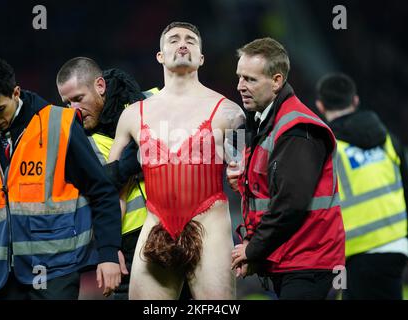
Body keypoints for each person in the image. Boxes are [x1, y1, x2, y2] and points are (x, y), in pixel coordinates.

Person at [108, 21, 245, 299]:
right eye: (173, 40)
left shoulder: (230, 112)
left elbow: (247, 183)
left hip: (212, 229)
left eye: (191, 40)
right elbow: (111, 188)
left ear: (201, 58)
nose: (182, 43)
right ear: (160, 56)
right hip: (155, 226)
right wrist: (109, 250)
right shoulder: (133, 115)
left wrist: (252, 239)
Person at [0, 58, 126, 299]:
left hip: (56, 271)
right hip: (1, 277)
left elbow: (101, 190)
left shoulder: (59, 124)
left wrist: (108, 254)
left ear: (16, 93)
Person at [229, 38, 345, 300]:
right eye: (239, 77)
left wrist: (252, 249)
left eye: (250, 79)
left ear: (277, 81)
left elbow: (290, 203)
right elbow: (266, 195)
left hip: (308, 260)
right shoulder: (266, 122)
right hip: (292, 257)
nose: (240, 87)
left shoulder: (296, 128)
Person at [56, 57, 156, 300]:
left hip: (175, 229)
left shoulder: (153, 103)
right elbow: (94, 202)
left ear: (100, 86)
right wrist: (110, 248)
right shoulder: (76, 142)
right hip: (127, 246)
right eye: (67, 103)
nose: (73, 110)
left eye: (78, 99)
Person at [316, 73, 408, 300]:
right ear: (355, 101)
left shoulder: (327, 148)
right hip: (396, 246)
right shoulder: (387, 138)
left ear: (320, 106)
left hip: (357, 251)